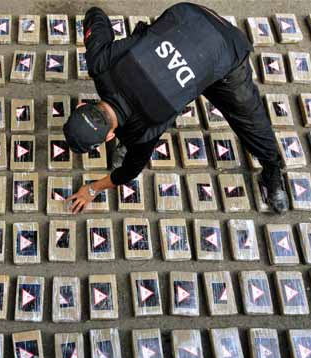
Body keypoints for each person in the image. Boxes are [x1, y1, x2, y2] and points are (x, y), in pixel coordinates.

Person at [63, 3, 288, 214]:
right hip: (185, 14)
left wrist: (92, 189)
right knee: (159, 101)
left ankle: (272, 172)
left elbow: (128, 172)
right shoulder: (100, 64)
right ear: (83, 105)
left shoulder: (143, 133)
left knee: (252, 124)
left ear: (110, 135)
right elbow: (95, 15)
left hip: (223, 46)